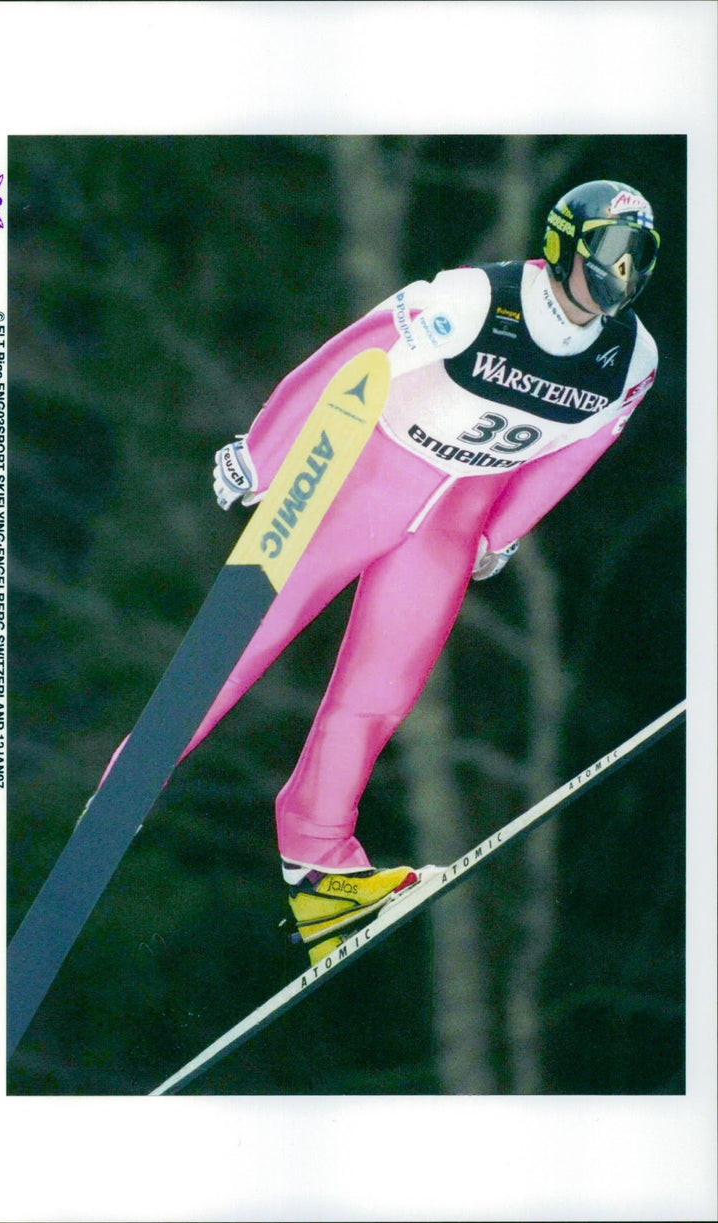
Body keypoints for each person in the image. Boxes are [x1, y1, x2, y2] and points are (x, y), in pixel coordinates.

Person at [100, 179, 661, 965]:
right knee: (249, 633)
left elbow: (579, 450)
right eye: (608, 254)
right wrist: (264, 453)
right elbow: (354, 354)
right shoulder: (473, 300)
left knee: (380, 694)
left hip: (452, 523)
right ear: (566, 244)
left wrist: (501, 531)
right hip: (366, 478)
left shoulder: (629, 357)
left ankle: (322, 863)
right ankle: (135, 776)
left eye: (640, 261)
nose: (619, 279)